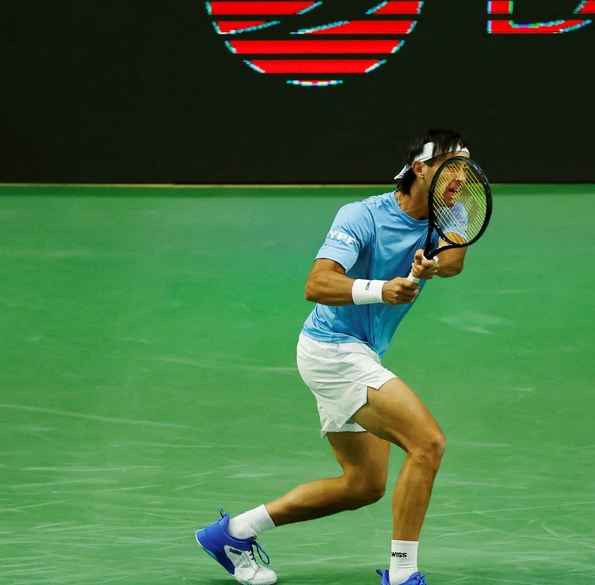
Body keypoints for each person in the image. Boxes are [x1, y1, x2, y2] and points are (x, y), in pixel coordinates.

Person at [195, 129, 474, 585]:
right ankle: (403, 574)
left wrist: (432, 265)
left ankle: (233, 533)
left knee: (363, 485)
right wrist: (380, 289)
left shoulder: (451, 212)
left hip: (362, 352)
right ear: (420, 169)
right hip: (332, 349)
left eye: (466, 168)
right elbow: (317, 284)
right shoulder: (362, 216)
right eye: (451, 167)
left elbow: (455, 260)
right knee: (428, 444)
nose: (461, 178)